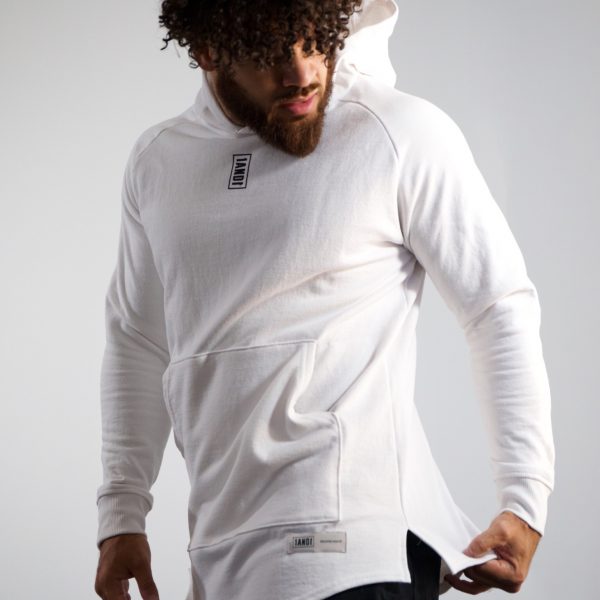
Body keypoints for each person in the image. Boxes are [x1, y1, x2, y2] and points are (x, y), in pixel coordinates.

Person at [93, 1, 556, 599]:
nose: (302, 73)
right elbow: (137, 341)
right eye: (268, 52)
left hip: (355, 552)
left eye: (316, 40)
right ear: (208, 51)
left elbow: (497, 305)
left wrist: (525, 497)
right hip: (221, 558)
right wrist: (121, 514)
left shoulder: (396, 131)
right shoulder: (158, 160)